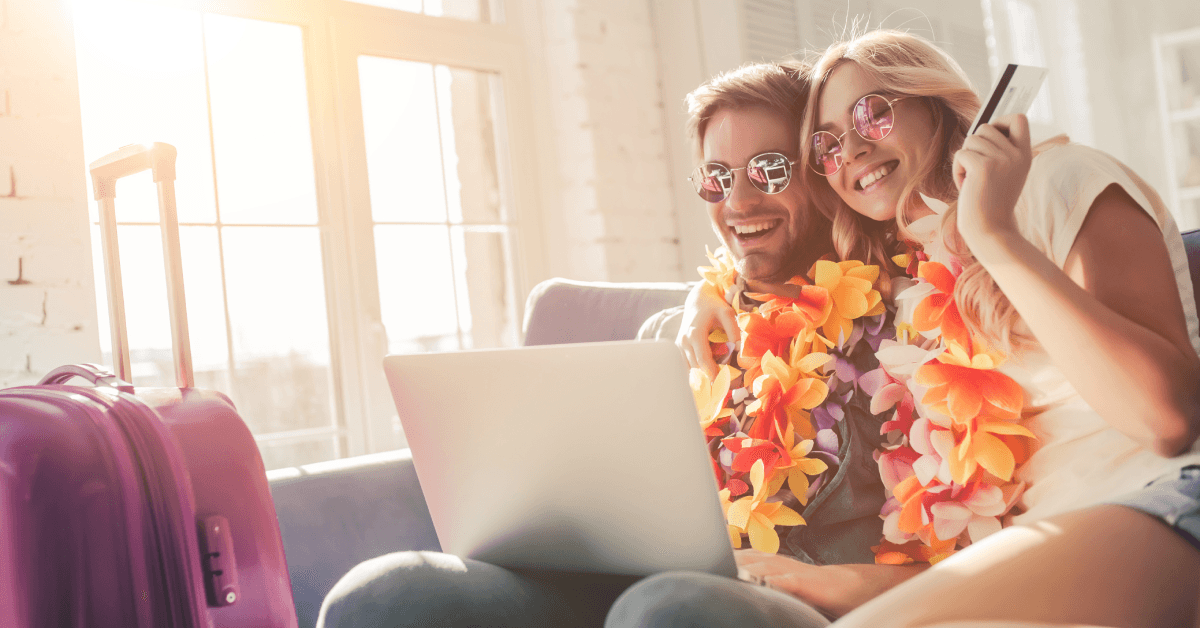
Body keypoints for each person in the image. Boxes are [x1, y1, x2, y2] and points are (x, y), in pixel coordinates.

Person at [648, 28, 1200, 628]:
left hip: (1155, 498)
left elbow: (1165, 419)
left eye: (873, 114)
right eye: (828, 145)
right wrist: (708, 291)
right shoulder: (909, 277)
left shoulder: (1055, 179)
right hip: (1033, 546)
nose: (853, 149)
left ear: (932, 102)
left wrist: (995, 235)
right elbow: (777, 261)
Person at [315, 60, 855, 628]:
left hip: (768, 603)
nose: (739, 202)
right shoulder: (666, 338)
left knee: (665, 611)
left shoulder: (885, 336)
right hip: (615, 589)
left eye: (769, 170)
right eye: (717, 177)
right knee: (383, 595)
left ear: (820, 168)